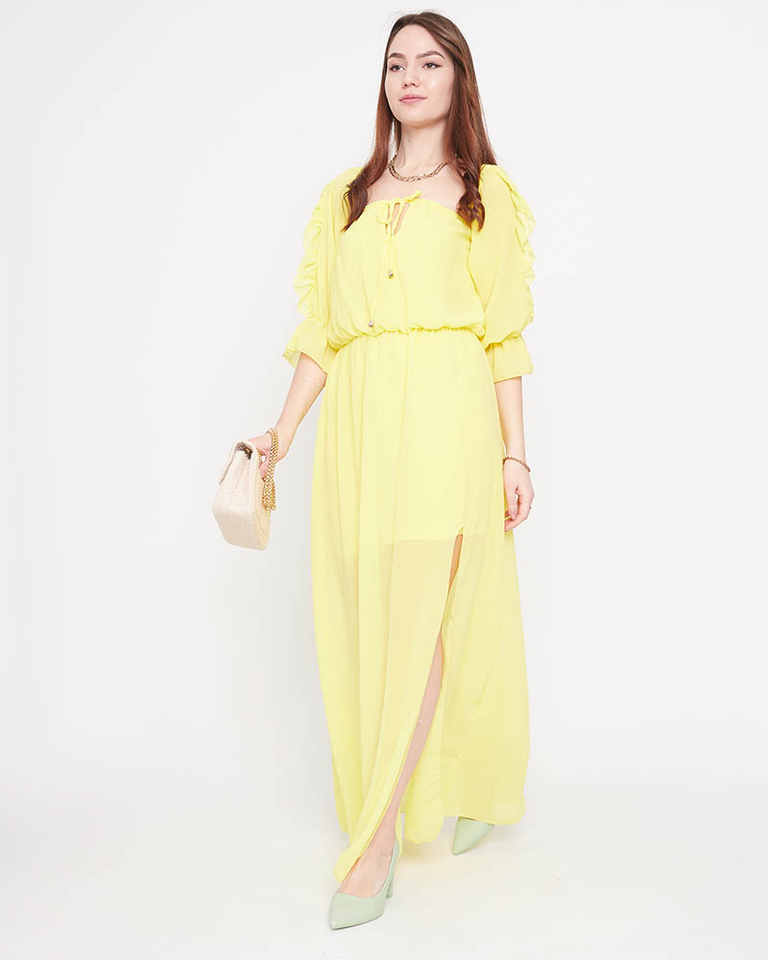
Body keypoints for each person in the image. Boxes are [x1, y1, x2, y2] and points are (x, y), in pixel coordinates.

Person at [250, 11, 536, 929]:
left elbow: (502, 335)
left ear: (458, 80)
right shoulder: (345, 196)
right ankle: (467, 781)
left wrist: (515, 453)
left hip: (449, 418)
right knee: (380, 618)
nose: (409, 77)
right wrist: (282, 431)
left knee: (420, 617)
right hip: (361, 428)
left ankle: (375, 845)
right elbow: (323, 334)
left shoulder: (483, 194)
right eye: (395, 64)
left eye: (430, 63)